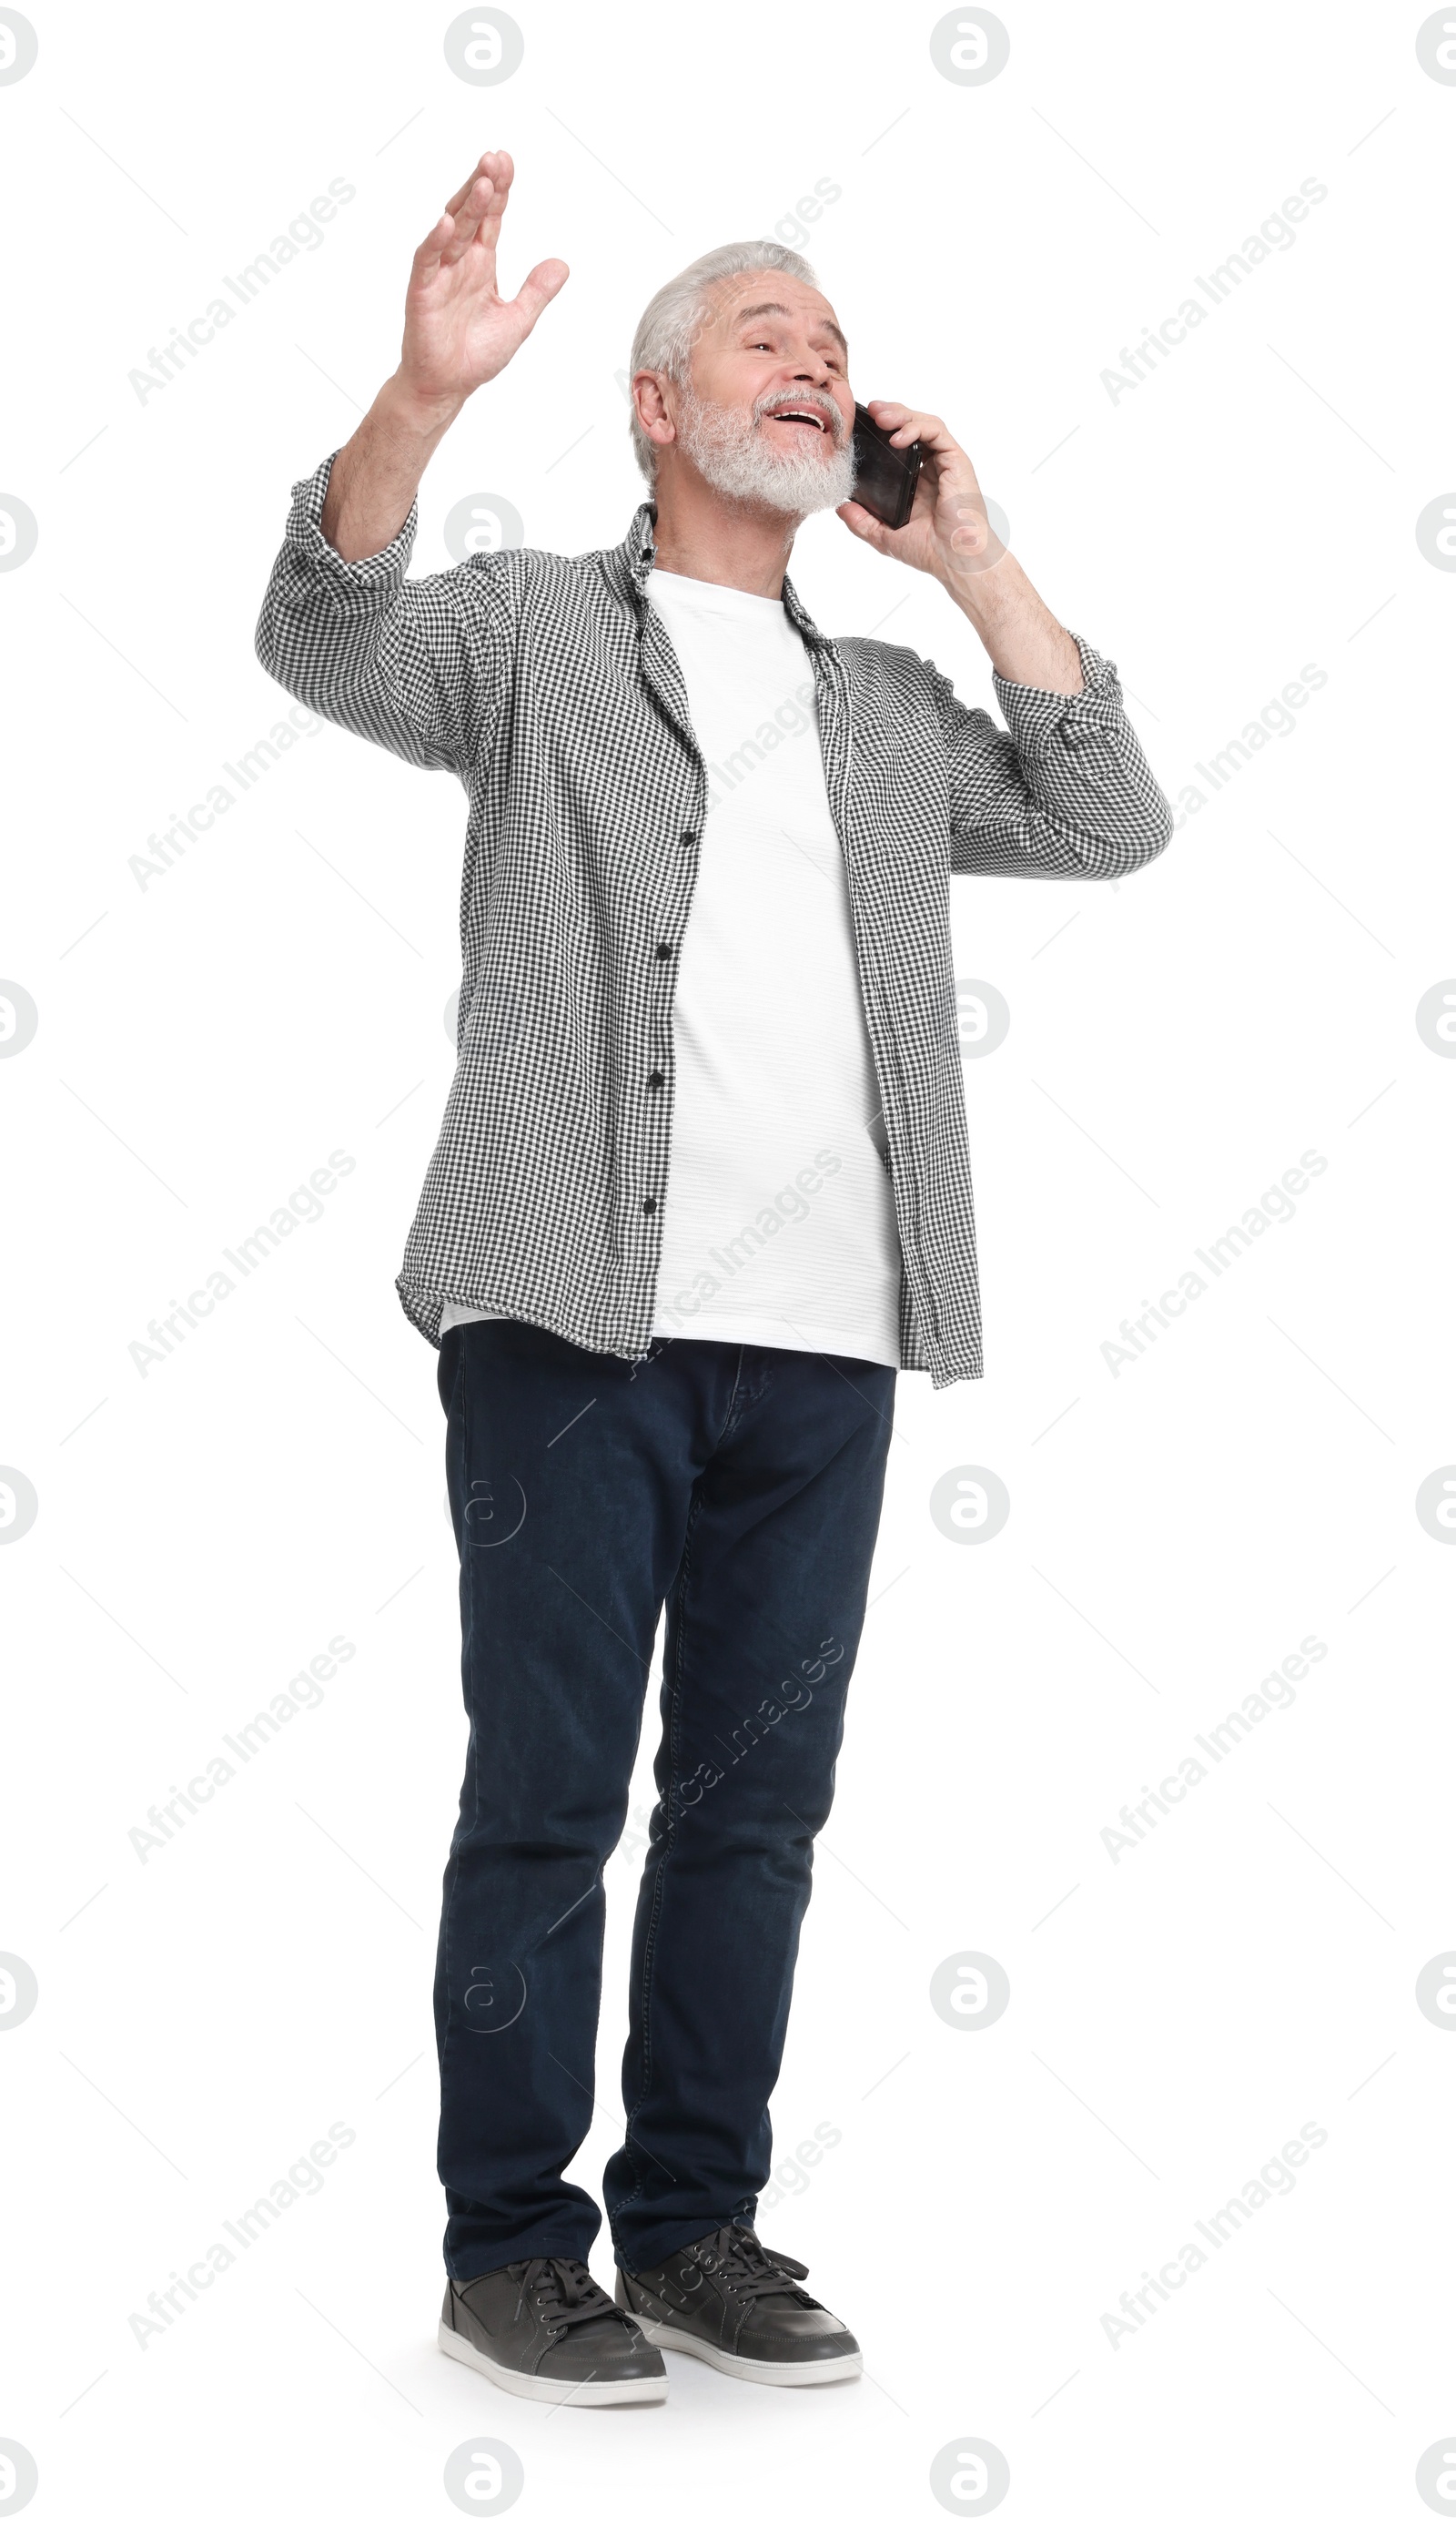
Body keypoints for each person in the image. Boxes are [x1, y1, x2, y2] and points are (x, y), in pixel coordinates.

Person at [256, 149, 1172, 2409]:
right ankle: (507, 2242)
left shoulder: (874, 706)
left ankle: (689, 2222)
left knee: (756, 1807)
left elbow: (1106, 811)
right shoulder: (528, 631)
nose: (818, 363)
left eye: (834, 348)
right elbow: (319, 625)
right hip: (567, 1315)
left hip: (829, 1340)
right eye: (770, 335)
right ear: (657, 404)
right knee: (551, 1786)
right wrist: (412, 393)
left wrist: (968, 559)